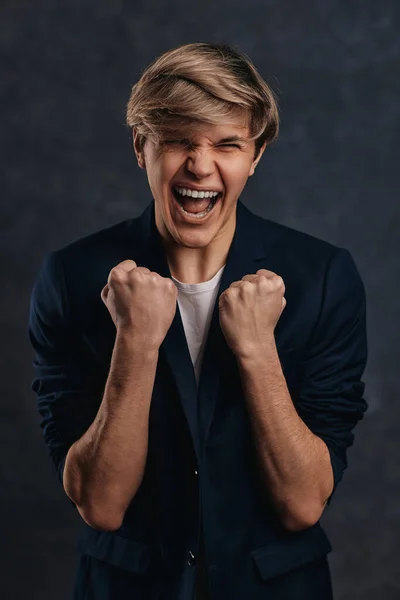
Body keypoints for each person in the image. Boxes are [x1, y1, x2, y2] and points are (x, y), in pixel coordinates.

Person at [28, 42, 368, 600]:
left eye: (227, 144)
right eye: (179, 140)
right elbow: (101, 505)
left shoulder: (323, 277)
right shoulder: (71, 277)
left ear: (255, 156)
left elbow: (303, 503)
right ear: (142, 147)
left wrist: (258, 349)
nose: (201, 165)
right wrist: (134, 342)